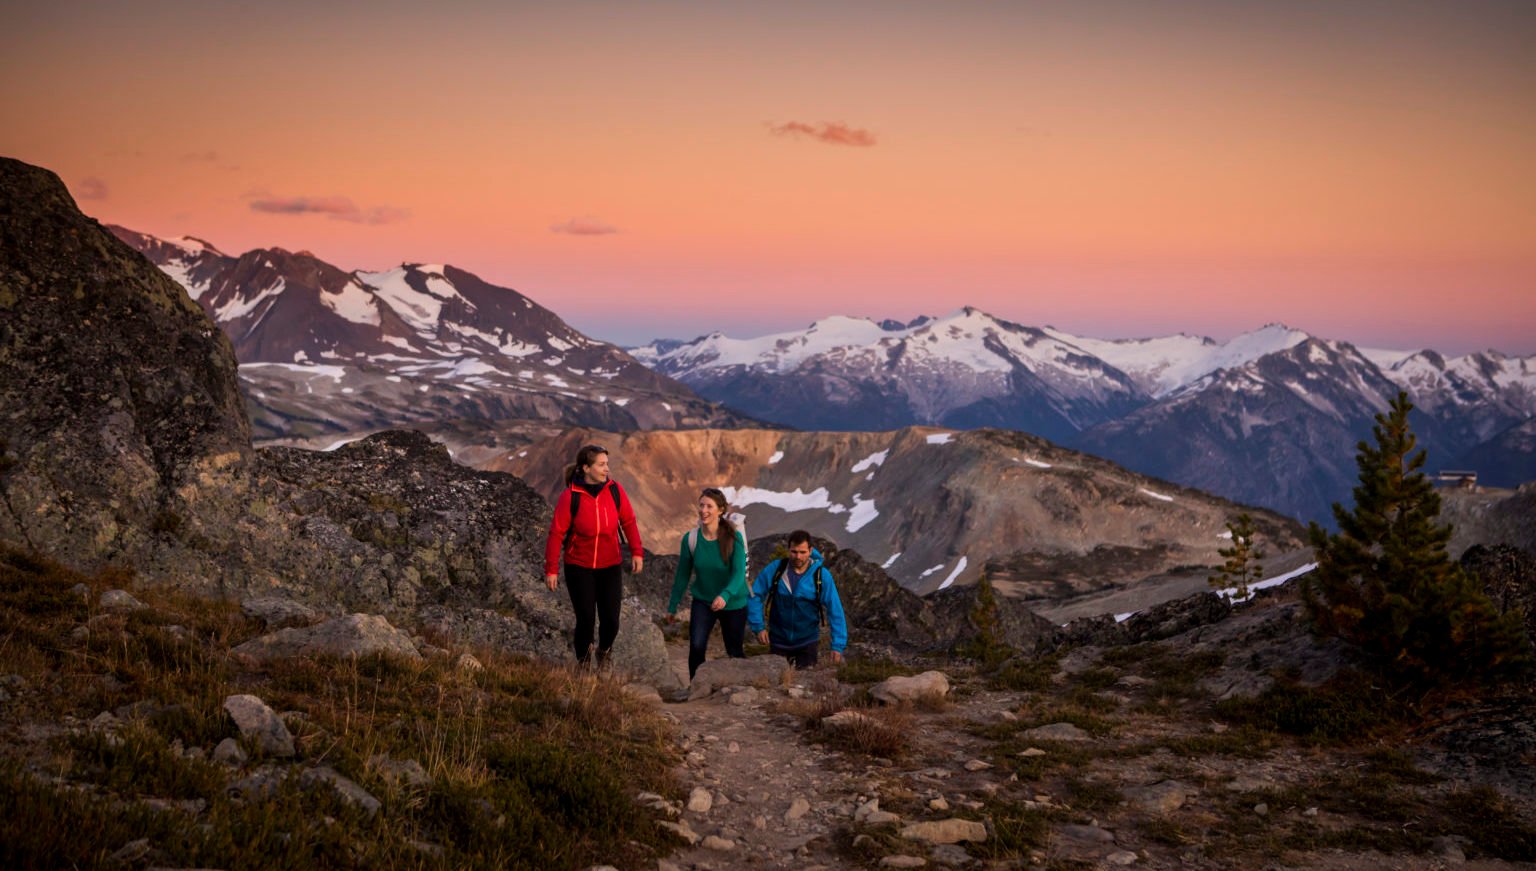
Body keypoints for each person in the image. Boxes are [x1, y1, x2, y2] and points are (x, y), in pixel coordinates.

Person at [543, 444, 643, 668]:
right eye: (601, 464)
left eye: (607, 464)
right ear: (586, 468)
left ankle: (604, 651)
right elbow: (556, 533)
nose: (606, 469)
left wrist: (637, 552)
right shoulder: (570, 497)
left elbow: (628, 521)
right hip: (579, 566)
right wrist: (551, 569)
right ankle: (584, 663)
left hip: (610, 566)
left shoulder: (615, 490)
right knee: (586, 619)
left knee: (611, 621)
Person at [666, 488, 750, 680]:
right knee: (696, 646)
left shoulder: (733, 537)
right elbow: (682, 574)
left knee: (734, 650)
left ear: (720, 510)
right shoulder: (691, 539)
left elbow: (738, 574)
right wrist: (672, 605)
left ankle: (740, 687)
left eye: (709, 506)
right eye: (701, 505)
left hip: (733, 602)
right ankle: (696, 686)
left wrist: (725, 595)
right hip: (703, 600)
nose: (704, 510)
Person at [747, 530, 848, 668]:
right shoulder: (776, 570)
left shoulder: (821, 576)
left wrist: (838, 645)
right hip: (778, 641)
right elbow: (754, 595)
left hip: (807, 643)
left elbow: (835, 610)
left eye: (803, 552)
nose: (798, 556)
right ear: (789, 549)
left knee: (804, 687)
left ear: (810, 550)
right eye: (794, 552)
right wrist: (758, 627)